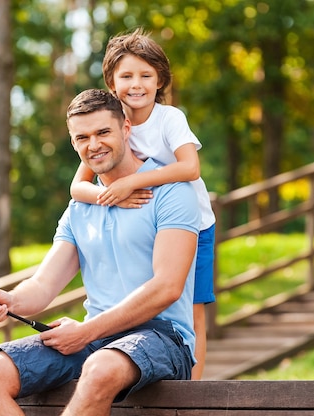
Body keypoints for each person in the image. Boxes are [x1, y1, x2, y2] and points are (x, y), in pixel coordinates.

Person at [0, 88, 201, 416]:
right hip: (96, 336)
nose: (94, 145)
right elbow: (44, 286)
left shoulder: (172, 194)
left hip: (163, 337)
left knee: (100, 368)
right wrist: (11, 300)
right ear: (73, 142)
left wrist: (87, 331)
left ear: (126, 129)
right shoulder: (80, 209)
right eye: (82, 137)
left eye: (103, 132)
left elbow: (167, 287)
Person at [69, 28, 216, 380]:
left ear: (160, 80)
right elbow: (78, 188)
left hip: (192, 221)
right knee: (146, 298)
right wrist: (111, 198)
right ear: (111, 81)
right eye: (126, 76)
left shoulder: (169, 118)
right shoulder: (109, 123)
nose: (136, 85)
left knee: (191, 308)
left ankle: (193, 389)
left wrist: (131, 182)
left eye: (146, 75)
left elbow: (189, 168)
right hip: (142, 219)